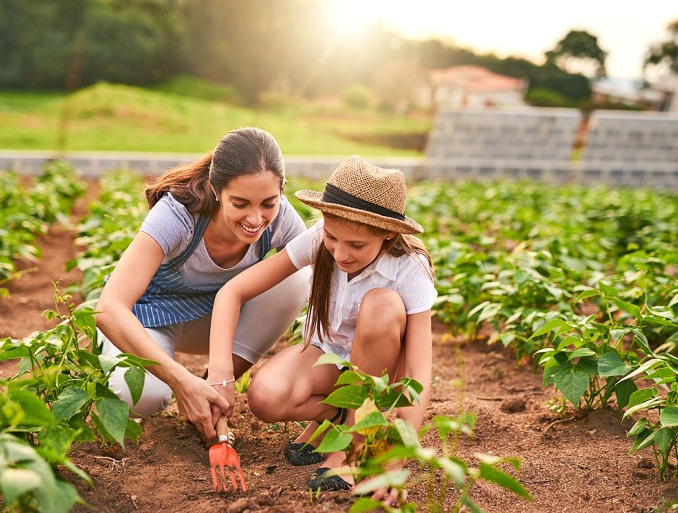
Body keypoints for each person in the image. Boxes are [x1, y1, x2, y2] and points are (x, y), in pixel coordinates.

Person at [208, 155, 436, 501]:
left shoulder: (410, 270)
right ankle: (341, 417)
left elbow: (418, 374)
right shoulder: (319, 238)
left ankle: (355, 448)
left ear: (388, 233)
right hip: (330, 358)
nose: (340, 253)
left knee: (380, 303)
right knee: (265, 396)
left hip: (380, 377)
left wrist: (396, 461)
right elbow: (234, 290)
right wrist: (221, 374)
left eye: (356, 245)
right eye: (332, 238)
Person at [95, 127, 310, 439]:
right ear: (215, 190)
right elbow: (109, 307)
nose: (255, 218)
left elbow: (328, 280)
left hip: (216, 323)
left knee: (299, 275)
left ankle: (212, 396)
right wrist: (181, 381)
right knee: (140, 396)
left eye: (268, 202)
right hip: (152, 321)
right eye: (240, 203)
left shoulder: (281, 218)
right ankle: (174, 383)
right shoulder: (178, 215)